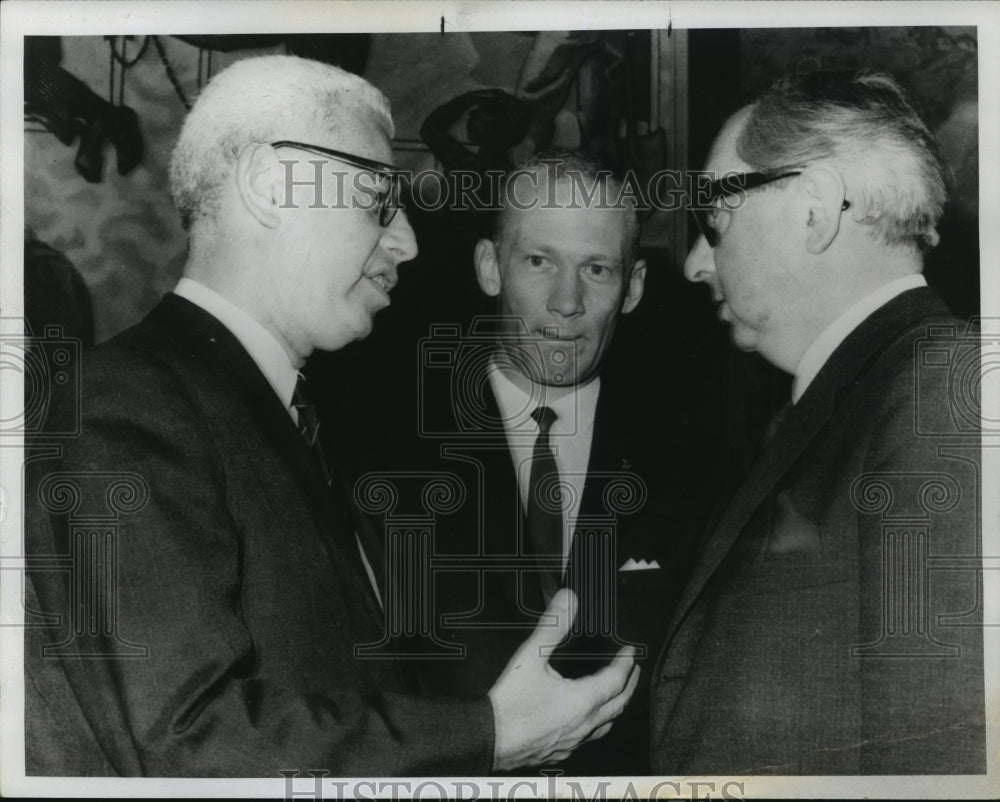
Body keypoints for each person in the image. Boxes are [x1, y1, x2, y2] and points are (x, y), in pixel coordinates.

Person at [23, 55, 639, 778]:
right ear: (267, 188)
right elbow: (188, 742)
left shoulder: (282, 412)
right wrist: (491, 733)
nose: (406, 242)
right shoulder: (126, 406)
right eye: (380, 200)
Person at [650, 71, 985, 774]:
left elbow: (936, 765)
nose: (693, 262)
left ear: (815, 210)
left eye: (715, 220)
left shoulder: (939, 397)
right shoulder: (862, 393)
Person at [402, 152, 709, 774]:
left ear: (635, 288)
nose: (567, 302)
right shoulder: (390, 453)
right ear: (491, 267)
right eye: (538, 261)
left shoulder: (698, 461)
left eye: (597, 269)